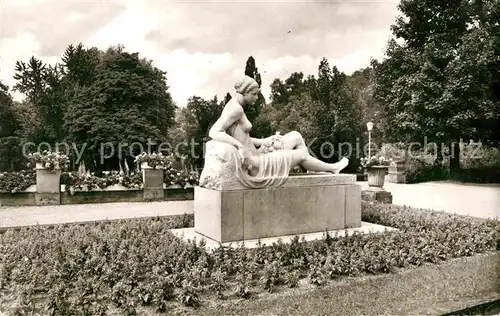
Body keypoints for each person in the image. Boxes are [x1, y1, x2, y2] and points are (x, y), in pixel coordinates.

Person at [207, 75, 348, 188]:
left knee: (296, 136)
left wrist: (265, 140)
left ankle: (312, 167)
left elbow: (244, 137)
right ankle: (333, 167)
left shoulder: (236, 106)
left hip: (258, 153)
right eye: (254, 94)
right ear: (244, 92)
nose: (257, 98)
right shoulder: (235, 109)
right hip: (257, 165)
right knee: (302, 154)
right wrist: (238, 147)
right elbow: (214, 132)